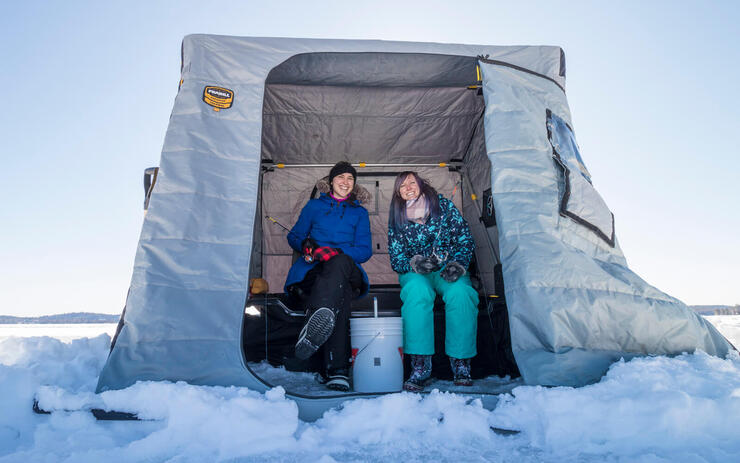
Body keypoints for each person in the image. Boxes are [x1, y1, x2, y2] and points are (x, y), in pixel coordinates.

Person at [285, 161, 372, 391]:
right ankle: (337, 371)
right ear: (331, 181)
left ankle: (314, 325)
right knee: (338, 297)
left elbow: (364, 250)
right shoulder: (314, 207)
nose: (345, 182)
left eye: (350, 179)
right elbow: (294, 237)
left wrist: (337, 252)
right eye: (341, 177)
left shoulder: (360, 213)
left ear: (354, 184)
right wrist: (306, 245)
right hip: (316, 270)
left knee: (340, 264)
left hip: (347, 267)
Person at [387, 171, 478, 391]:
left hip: (447, 269)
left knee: (462, 293)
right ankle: (420, 365)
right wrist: (415, 264)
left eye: (411, 182)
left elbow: (464, 237)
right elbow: (396, 257)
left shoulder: (443, 206)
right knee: (417, 292)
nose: (408, 187)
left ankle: (461, 362)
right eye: (402, 186)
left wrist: (458, 264)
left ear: (420, 184)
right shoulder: (397, 216)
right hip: (417, 273)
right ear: (398, 193)